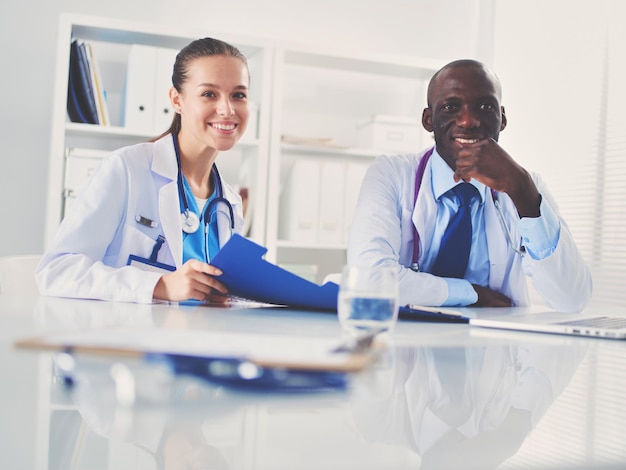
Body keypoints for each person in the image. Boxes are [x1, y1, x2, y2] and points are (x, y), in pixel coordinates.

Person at [348, 59, 592, 311]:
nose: (468, 121)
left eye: (485, 106)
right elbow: (369, 279)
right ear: (428, 120)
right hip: (403, 343)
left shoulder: (525, 187)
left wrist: (522, 192)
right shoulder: (391, 175)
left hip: (493, 345)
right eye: (451, 106)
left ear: (502, 118)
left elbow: (572, 299)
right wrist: (472, 294)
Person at [37, 37, 251, 303]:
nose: (227, 109)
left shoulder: (229, 202)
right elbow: (56, 271)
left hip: (203, 338)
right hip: (128, 339)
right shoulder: (126, 169)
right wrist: (158, 285)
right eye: (209, 94)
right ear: (176, 100)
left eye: (238, 95)